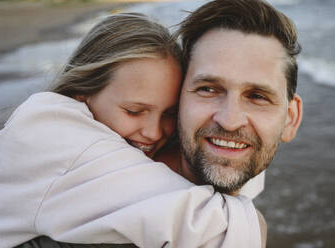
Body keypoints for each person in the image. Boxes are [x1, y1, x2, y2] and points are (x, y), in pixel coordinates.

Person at [0, 13, 261, 248]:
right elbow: (221, 231)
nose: (154, 132)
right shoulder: (61, 138)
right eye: (134, 111)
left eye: (170, 114)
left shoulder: (48, 121)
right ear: (83, 92)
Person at [21, 0, 304, 246]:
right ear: (181, 96)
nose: (229, 121)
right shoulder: (64, 147)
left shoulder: (227, 162)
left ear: (290, 118)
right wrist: (250, 224)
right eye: (208, 89)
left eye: (257, 96)